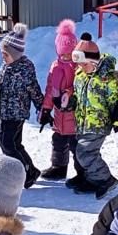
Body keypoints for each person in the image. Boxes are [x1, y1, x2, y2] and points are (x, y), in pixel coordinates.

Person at [69, 33, 118, 199]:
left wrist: (117, 118)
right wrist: (70, 102)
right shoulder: (80, 76)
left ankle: (106, 179)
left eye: (84, 64)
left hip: (98, 123)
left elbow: (114, 101)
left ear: (94, 62)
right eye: (79, 64)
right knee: (85, 152)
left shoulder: (106, 79)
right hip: (83, 122)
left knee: (86, 153)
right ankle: (93, 180)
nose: (81, 68)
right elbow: (77, 96)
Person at [0, 23, 44, 188]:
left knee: (7, 144)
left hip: (16, 113)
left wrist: (42, 107)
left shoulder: (25, 69)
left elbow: (34, 89)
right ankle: (30, 170)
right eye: (2, 53)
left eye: (6, 54)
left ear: (15, 54)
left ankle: (26, 171)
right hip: (4, 111)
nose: (3, 56)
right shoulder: (6, 65)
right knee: (13, 144)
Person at [39, 19, 80, 182]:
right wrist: (46, 109)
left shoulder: (77, 67)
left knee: (76, 145)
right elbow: (50, 89)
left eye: (69, 54)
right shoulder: (55, 66)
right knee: (58, 141)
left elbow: (80, 86)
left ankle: (81, 172)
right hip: (58, 115)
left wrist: (70, 95)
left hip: (73, 114)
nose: (65, 57)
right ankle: (59, 167)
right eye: (62, 54)